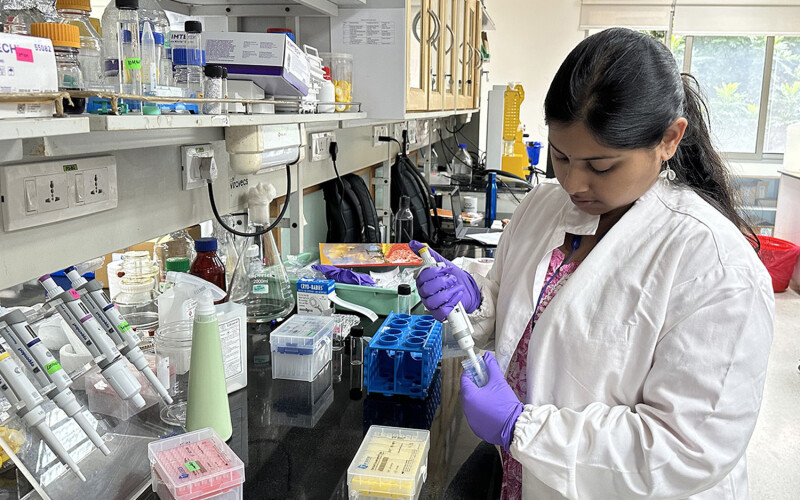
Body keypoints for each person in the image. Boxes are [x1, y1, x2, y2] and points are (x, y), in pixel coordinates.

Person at [411, 28, 774, 500]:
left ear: (669, 139)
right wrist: (477, 296)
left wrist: (523, 427)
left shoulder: (715, 267)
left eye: (601, 166)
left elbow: (686, 448)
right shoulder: (543, 205)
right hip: (524, 478)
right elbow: (527, 308)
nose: (573, 183)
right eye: (561, 156)